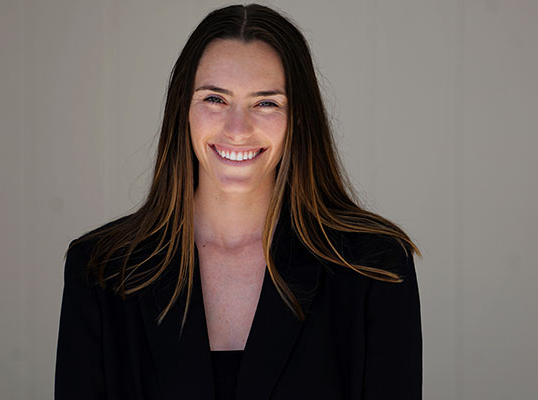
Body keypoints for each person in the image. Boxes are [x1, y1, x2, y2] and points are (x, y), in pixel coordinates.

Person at [55, 3, 422, 400]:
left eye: (266, 103)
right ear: (184, 110)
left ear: (299, 118)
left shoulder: (374, 267)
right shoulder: (100, 270)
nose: (237, 129)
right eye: (215, 99)